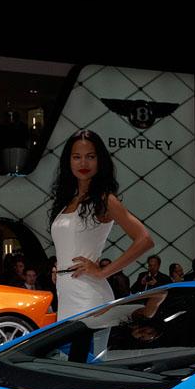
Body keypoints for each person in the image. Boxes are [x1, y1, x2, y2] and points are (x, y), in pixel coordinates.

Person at [48, 129, 153, 318]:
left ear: (100, 160)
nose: (83, 163)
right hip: (66, 294)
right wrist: (60, 268)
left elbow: (145, 240)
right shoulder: (67, 201)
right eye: (77, 157)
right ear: (68, 161)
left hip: (89, 296)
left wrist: (103, 272)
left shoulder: (105, 199)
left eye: (90, 157)